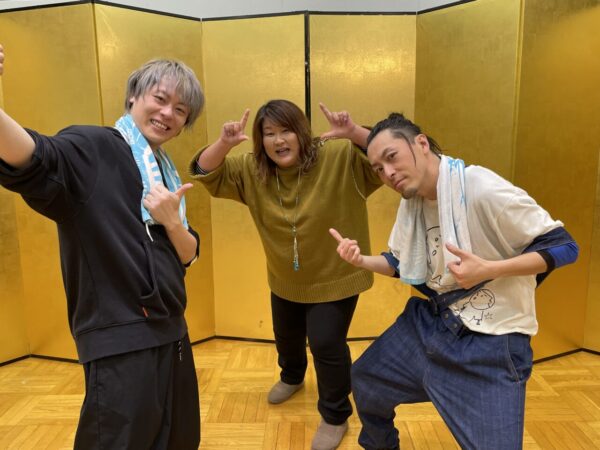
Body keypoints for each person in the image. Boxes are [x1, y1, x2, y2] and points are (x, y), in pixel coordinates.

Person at [330, 112, 578, 450]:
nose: (388, 173)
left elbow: (564, 247)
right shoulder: (413, 201)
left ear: (421, 143)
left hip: (492, 340)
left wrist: (489, 269)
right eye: (378, 169)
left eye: (392, 157)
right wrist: (361, 261)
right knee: (366, 378)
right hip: (431, 323)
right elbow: (400, 264)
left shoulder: (481, 187)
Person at [0, 44, 204, 449]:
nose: (168, 113)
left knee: (179, 439)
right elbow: (34, 158)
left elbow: (189, 253)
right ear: (133, 97)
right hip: (122, 339)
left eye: (180, 110)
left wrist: (170, 221)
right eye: (160, 98)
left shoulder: (163, 171)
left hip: (173, 332)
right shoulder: (93, 147)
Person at [189, 99, 381, 450]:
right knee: (286, 336)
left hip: (335, 276)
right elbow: (204, 171)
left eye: (287, 130)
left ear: (302, 132)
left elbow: (384, 154)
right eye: (269, 133)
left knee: (325, 343)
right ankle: (292, 377)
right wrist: (224, 143)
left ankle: (335, 415)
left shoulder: (340, 157)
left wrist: (354, 132)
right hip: (285, 277)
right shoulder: (253, 170)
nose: (278, 140)